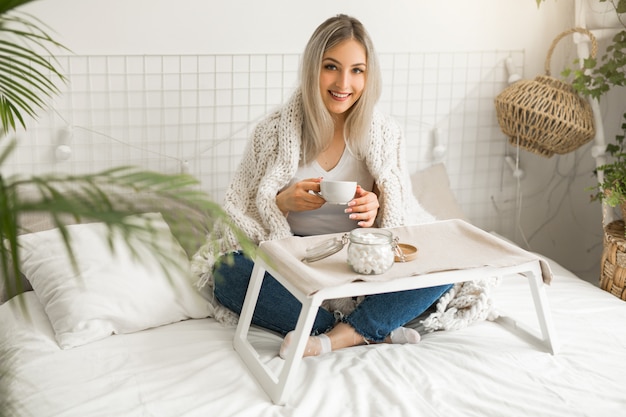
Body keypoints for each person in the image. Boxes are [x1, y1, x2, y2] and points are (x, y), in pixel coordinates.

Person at [192, 14, 452, 358]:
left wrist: (377, 207)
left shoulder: (385, 133)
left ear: (368, 75)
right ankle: (371, 327)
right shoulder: (271, 133)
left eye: (357, 70)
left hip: (360, 259)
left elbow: (399, 216)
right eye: (331, 67)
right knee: (228, 274)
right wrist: (280, 203)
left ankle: (337, 335)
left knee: (446, 263)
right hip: (297, 261)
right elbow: (240, 212)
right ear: (313, 68)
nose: (343, 82)